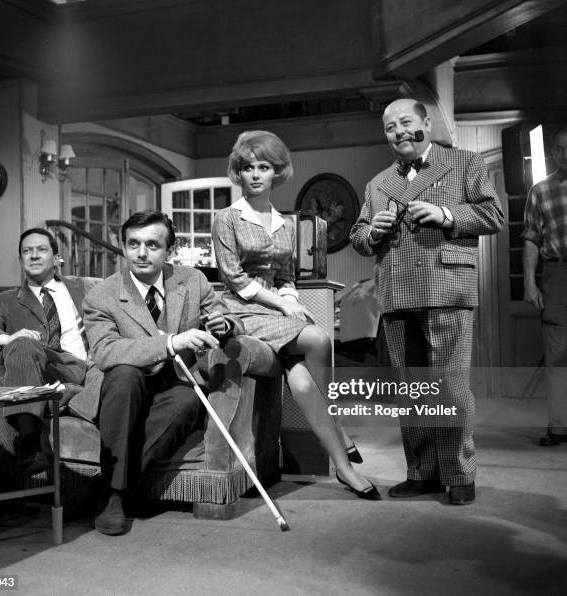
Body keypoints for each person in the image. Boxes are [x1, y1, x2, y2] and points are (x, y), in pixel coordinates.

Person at [350, 99, 504, 505]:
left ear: (426, 122)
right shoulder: (378, 183)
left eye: (405, 122)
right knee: (411, 388)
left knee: (450, 387)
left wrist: (445, 213)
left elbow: (493, 215)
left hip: (446, 287)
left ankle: (459, 474)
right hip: (398, 293)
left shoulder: (466, 163)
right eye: (389, 127)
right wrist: (374, 232)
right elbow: (358, 237)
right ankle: (422, 472)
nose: (398, 132)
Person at [212, 130, 380, 500]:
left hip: (274, 308)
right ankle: (336, 423)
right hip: (242, 309)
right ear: (238, 173)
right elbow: (233, 278)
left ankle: (344, 469)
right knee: (318, 337)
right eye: (248, 167)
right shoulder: (226, 218)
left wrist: (291, 298)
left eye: (264, 167)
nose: (255, 174)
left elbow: (286, 277)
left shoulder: (286, 224)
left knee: (304, 383)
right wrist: (283, 303)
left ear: (277, 173)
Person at [83, 211, 242, 535]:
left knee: (187, 403)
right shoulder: (102, 294)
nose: (141, 253)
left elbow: (231, 318)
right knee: (125, 374)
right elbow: (105, 351)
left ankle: (107, 490)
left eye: (152, 245)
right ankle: (114, 496)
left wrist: (222, 325)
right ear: (124, 247)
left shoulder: (191, 279)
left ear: (168, 249)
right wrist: (171, 341)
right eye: (133, 244)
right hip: (124, 383)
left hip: (178, 380)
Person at [0, 228, 100, 491]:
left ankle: (0, 485)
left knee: (3, 380)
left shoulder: (84, 289)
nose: (33, 255)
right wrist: (7, 339)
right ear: (20, 259)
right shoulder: (6, 300)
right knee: (21, 347)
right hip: (31, 368)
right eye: (27, 251)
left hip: (75, 366)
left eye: (42, 249)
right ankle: (29, 443)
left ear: (58, 258)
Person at [522, 126, 567, 447]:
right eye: (560, 148)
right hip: (557, 275)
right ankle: (559, 427)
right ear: (553, 152)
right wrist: (529, 282)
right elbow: (531, 240)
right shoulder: (540, 191)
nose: (566, 154)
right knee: (556, 355)